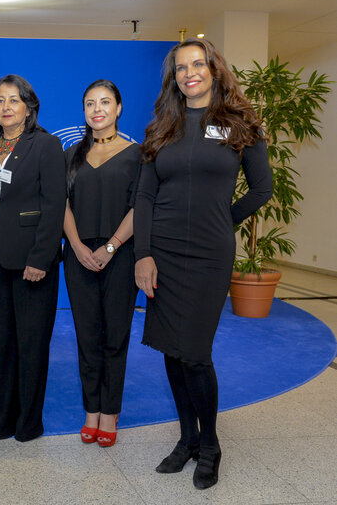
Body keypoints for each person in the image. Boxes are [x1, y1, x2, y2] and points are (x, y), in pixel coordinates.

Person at [134, 38, 272, 489]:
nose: (189, 73)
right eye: (180, 68)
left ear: (214, 68)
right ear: (173, 77)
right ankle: (187, 439)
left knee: (194, 354)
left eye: (197, 64)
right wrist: (143, 254)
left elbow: (261, 189)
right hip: (163, 253)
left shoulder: (239, 123)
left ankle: (210, 445)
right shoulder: (162, 127)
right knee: (172, 352)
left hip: (210, 255)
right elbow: (145, 195)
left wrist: (220, 223)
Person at [0, 74, 66, 442]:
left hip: (33, 259)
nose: (6, 107)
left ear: (29, 107)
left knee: (31, 345)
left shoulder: (46, 145)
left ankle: (28, 424)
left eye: (14, 100)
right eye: (0, 100)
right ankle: (2, 420)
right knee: (1, 344)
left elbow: (54, 204)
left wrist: (41, 258)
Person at [63, 79, 139, 448]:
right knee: (87, 336)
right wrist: (76, 245)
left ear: (119, 108)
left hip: (120, 255)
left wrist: (110, 247)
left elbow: (141, 206)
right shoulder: (72, 154)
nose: (97, 109)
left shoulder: (137, 154)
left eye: (105, 102)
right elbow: (62, 204)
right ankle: (91, 409)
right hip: (78, 256)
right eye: (90, 103)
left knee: (115, 336)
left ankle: (110, 412)